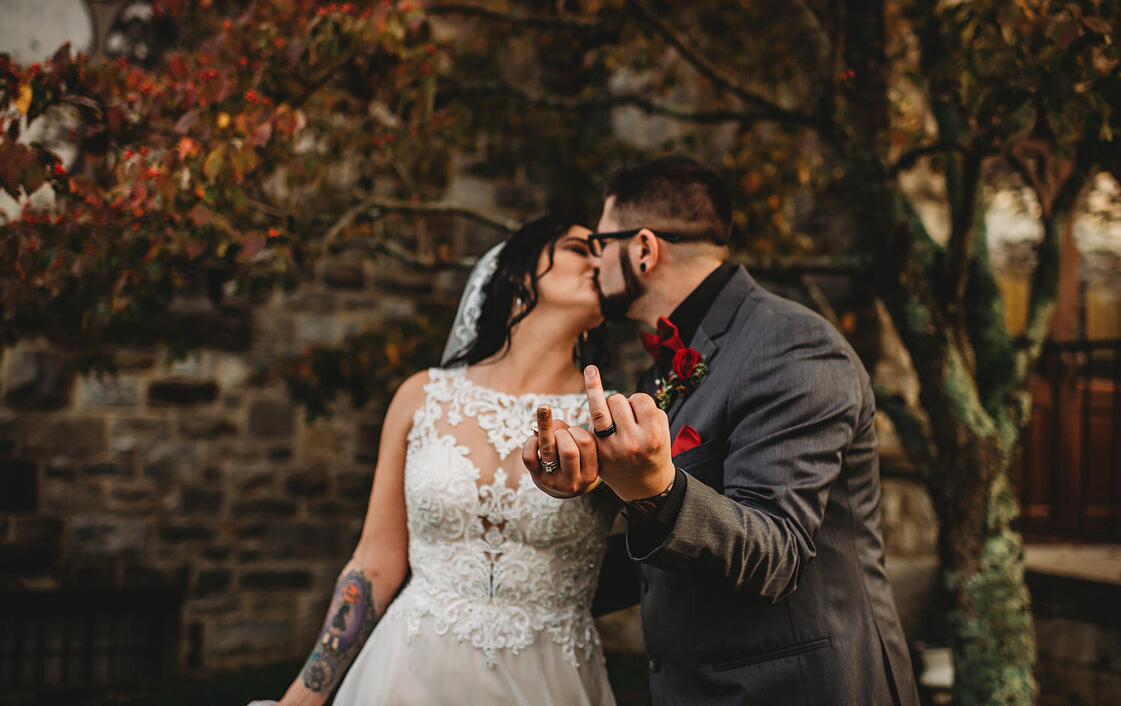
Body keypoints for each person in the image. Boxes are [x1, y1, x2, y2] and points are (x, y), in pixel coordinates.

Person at [526, 156, 921, 705]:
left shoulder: (794, 345)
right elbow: (663, 553)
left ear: (643, 249)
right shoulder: (663, 368)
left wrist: (655, 490)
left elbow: (775, 555)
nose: (595, 264)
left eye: (601, 244)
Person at [262, 216, 620, 706]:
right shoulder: (421, 396)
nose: (602, 261)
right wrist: (301, 699)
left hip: (549, 680)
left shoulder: (609, 419)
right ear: (518, 273)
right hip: (408, 671)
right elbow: (375, 561)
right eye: (582, 248)